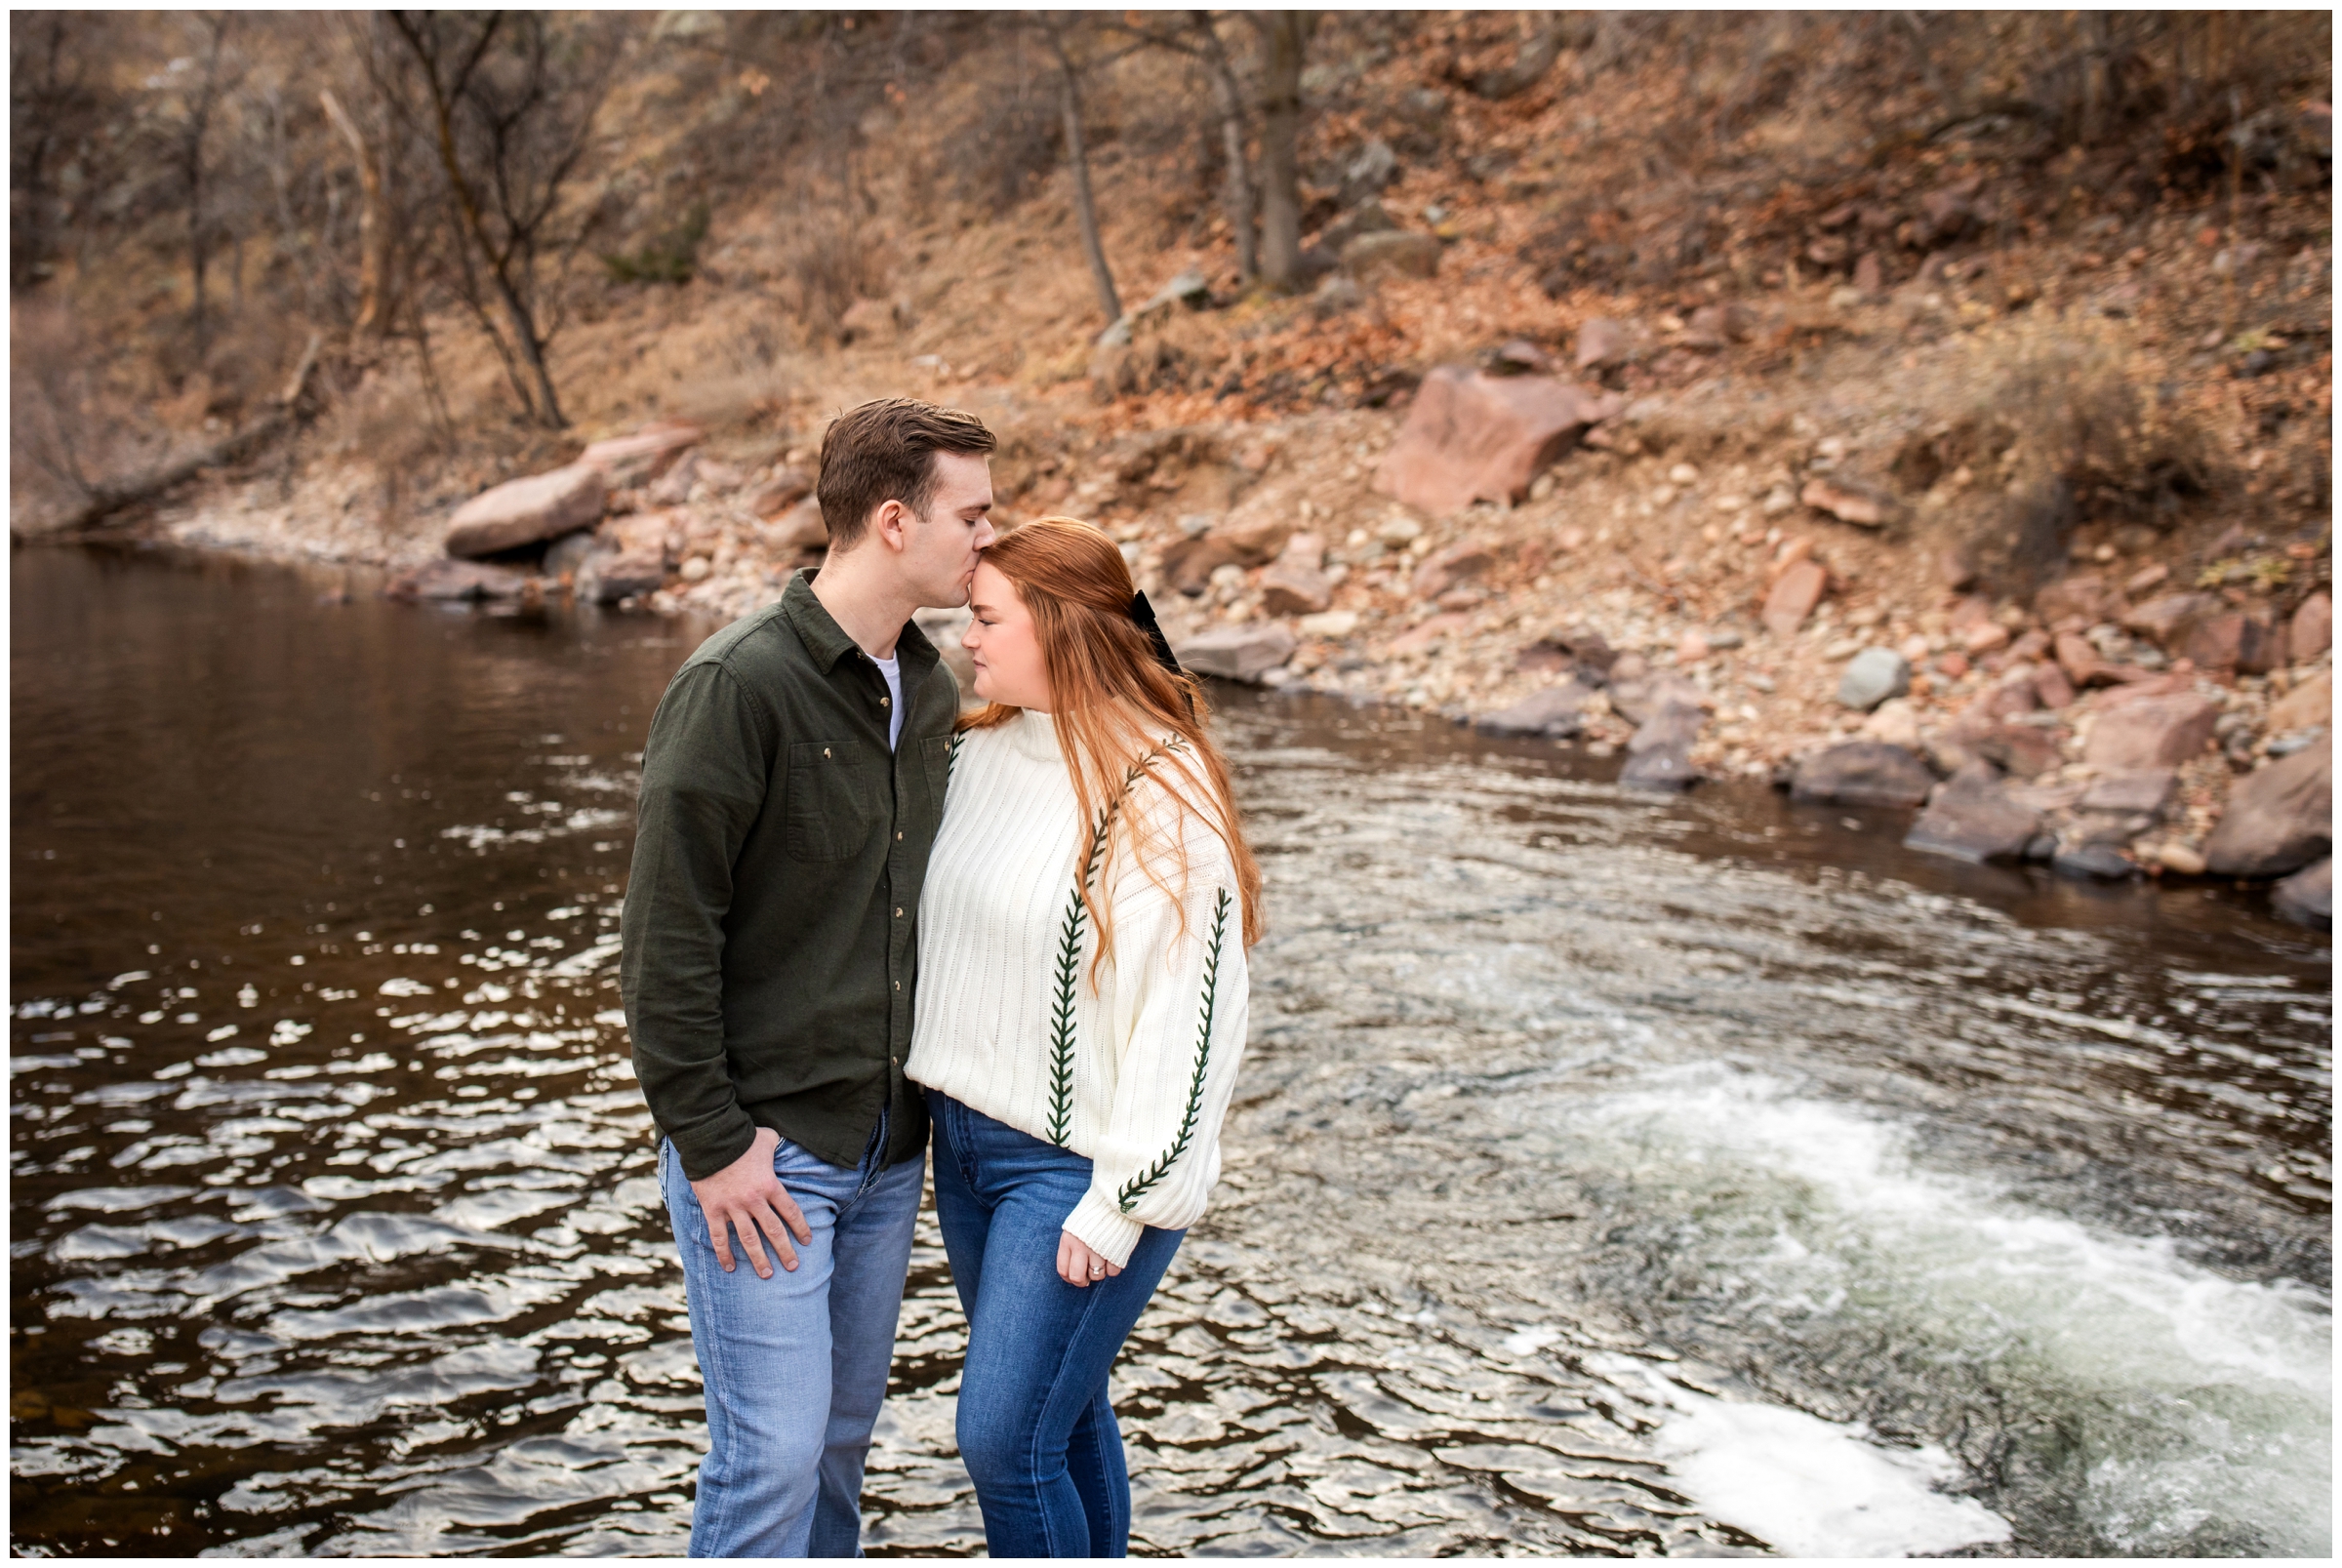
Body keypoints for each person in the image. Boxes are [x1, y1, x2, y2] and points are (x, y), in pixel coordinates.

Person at [622, 396, 997, 1557]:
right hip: (766, 1156)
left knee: (839, 1443)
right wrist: (713, 1143)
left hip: (887, 1150)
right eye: (972, 515)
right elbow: (664, 940)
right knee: (770, 1456)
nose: (989, 538)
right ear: (895, 520)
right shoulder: (736, 686)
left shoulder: (931, 688)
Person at [906, 516, 1264, 1557]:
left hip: (1077, 1168)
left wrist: (1124, 1200)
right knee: (1062, 1417)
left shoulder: (1163, 785)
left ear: (1059, 626)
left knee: (1003, 1441)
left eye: (985, 619)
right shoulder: (980, 746)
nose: (968, 640)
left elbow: (1193, 1022)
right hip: (966, 1148)